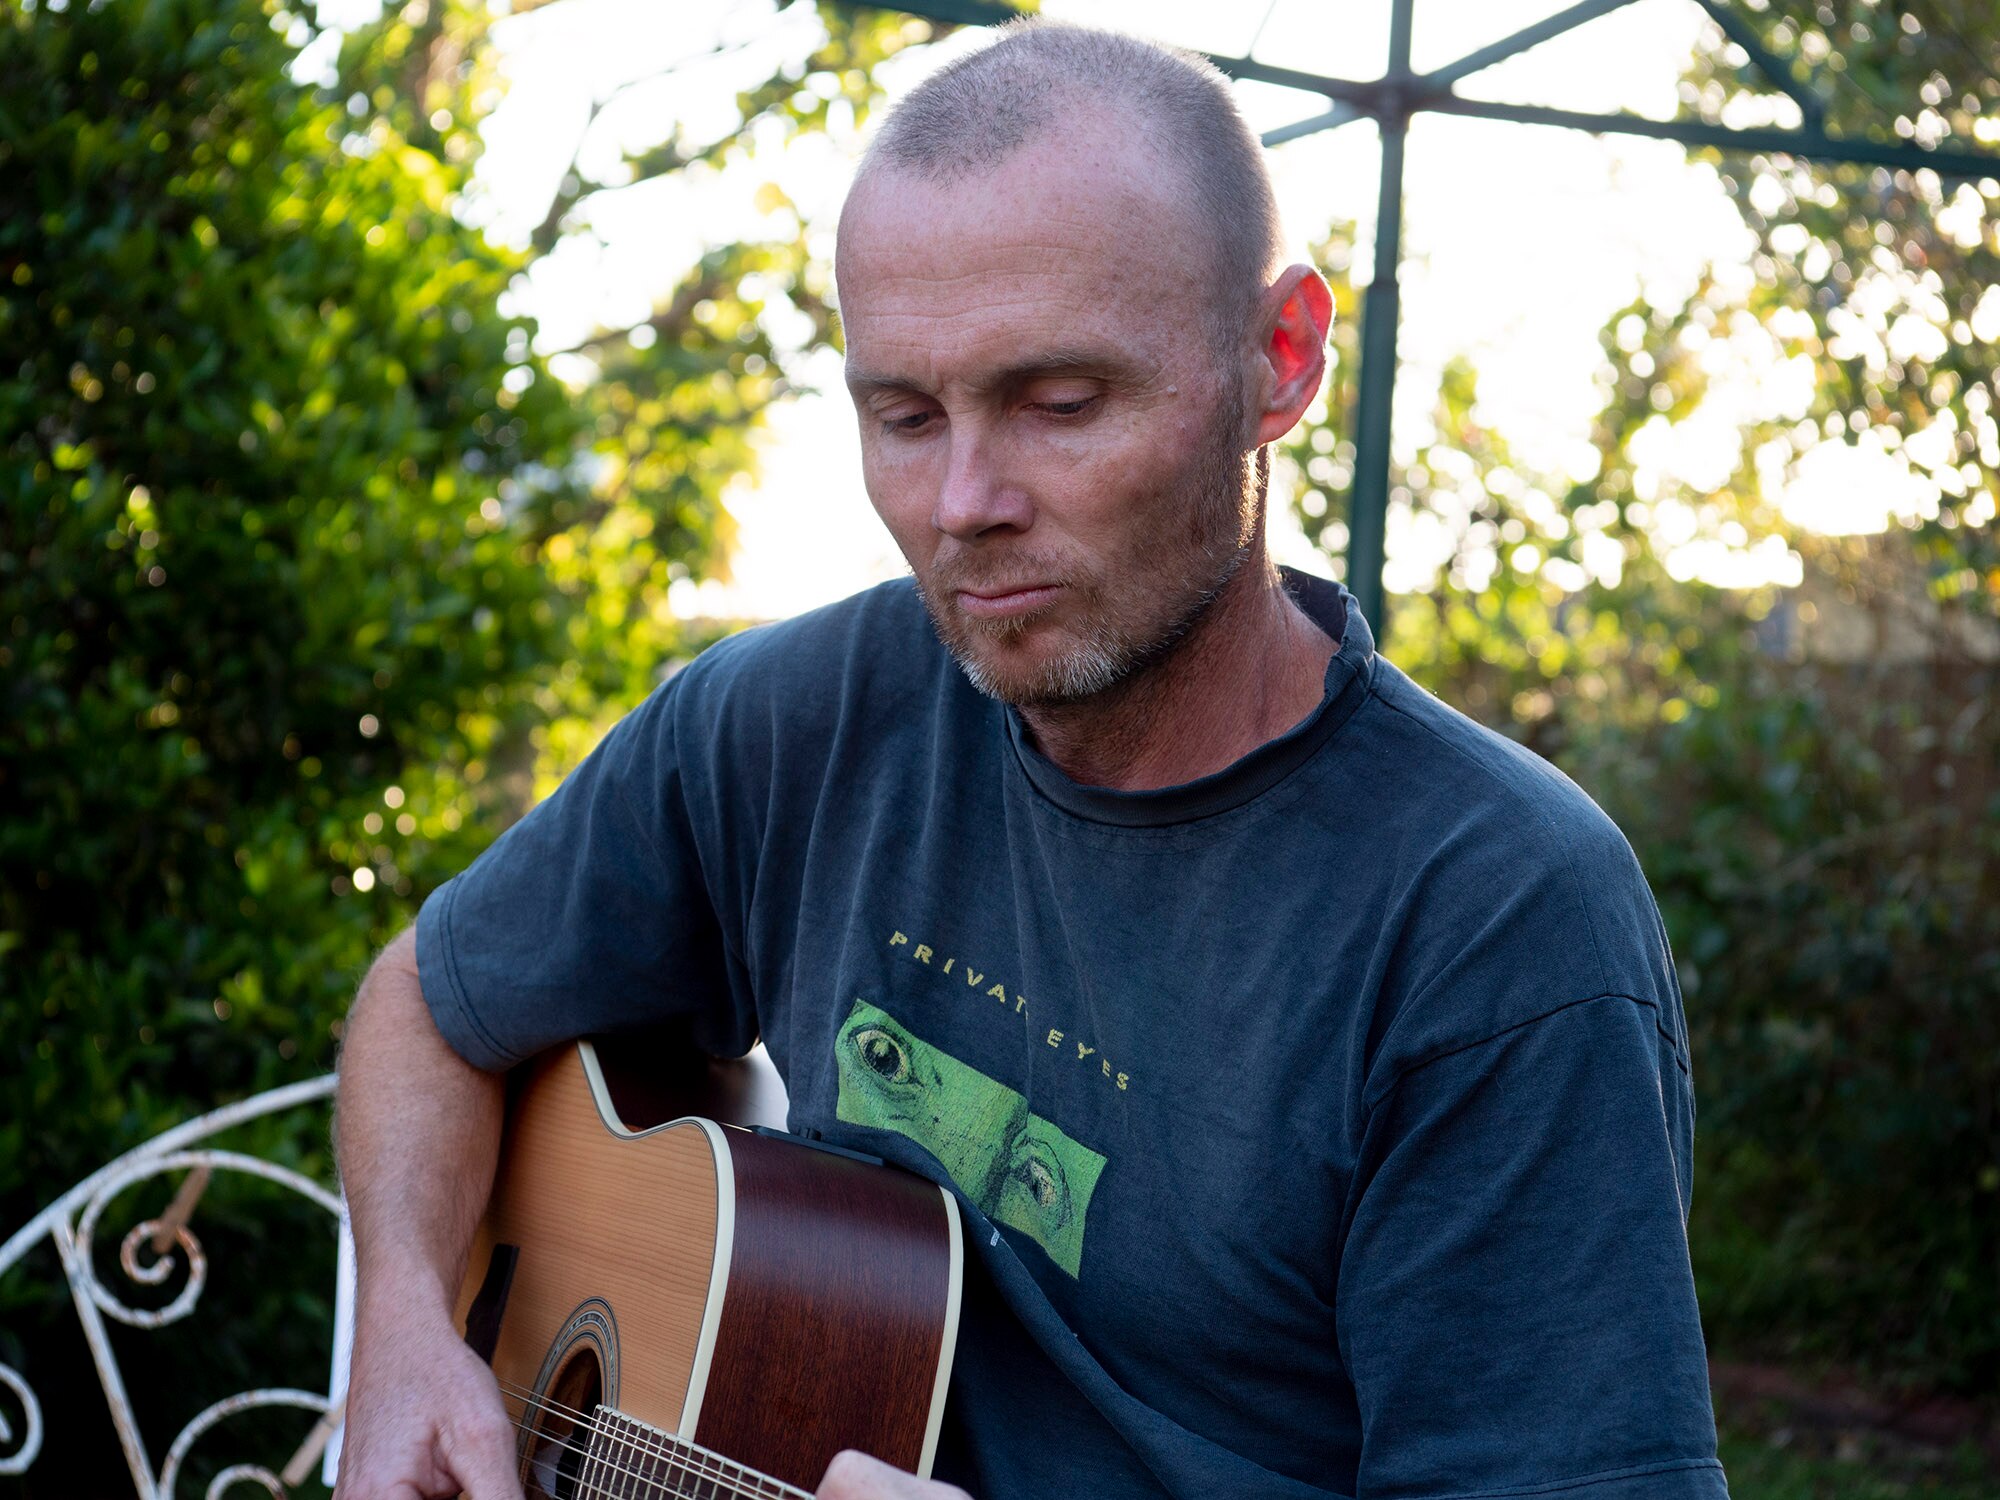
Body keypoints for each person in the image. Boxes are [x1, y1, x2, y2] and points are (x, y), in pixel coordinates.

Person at [332, 19, 1728, 1500]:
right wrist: (408, 1337)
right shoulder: (799, 721)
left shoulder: (1497, 927)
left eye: (1060, 405)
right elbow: (428, 1003)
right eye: (904, 416)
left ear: (1282, 360)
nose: (963, 503)